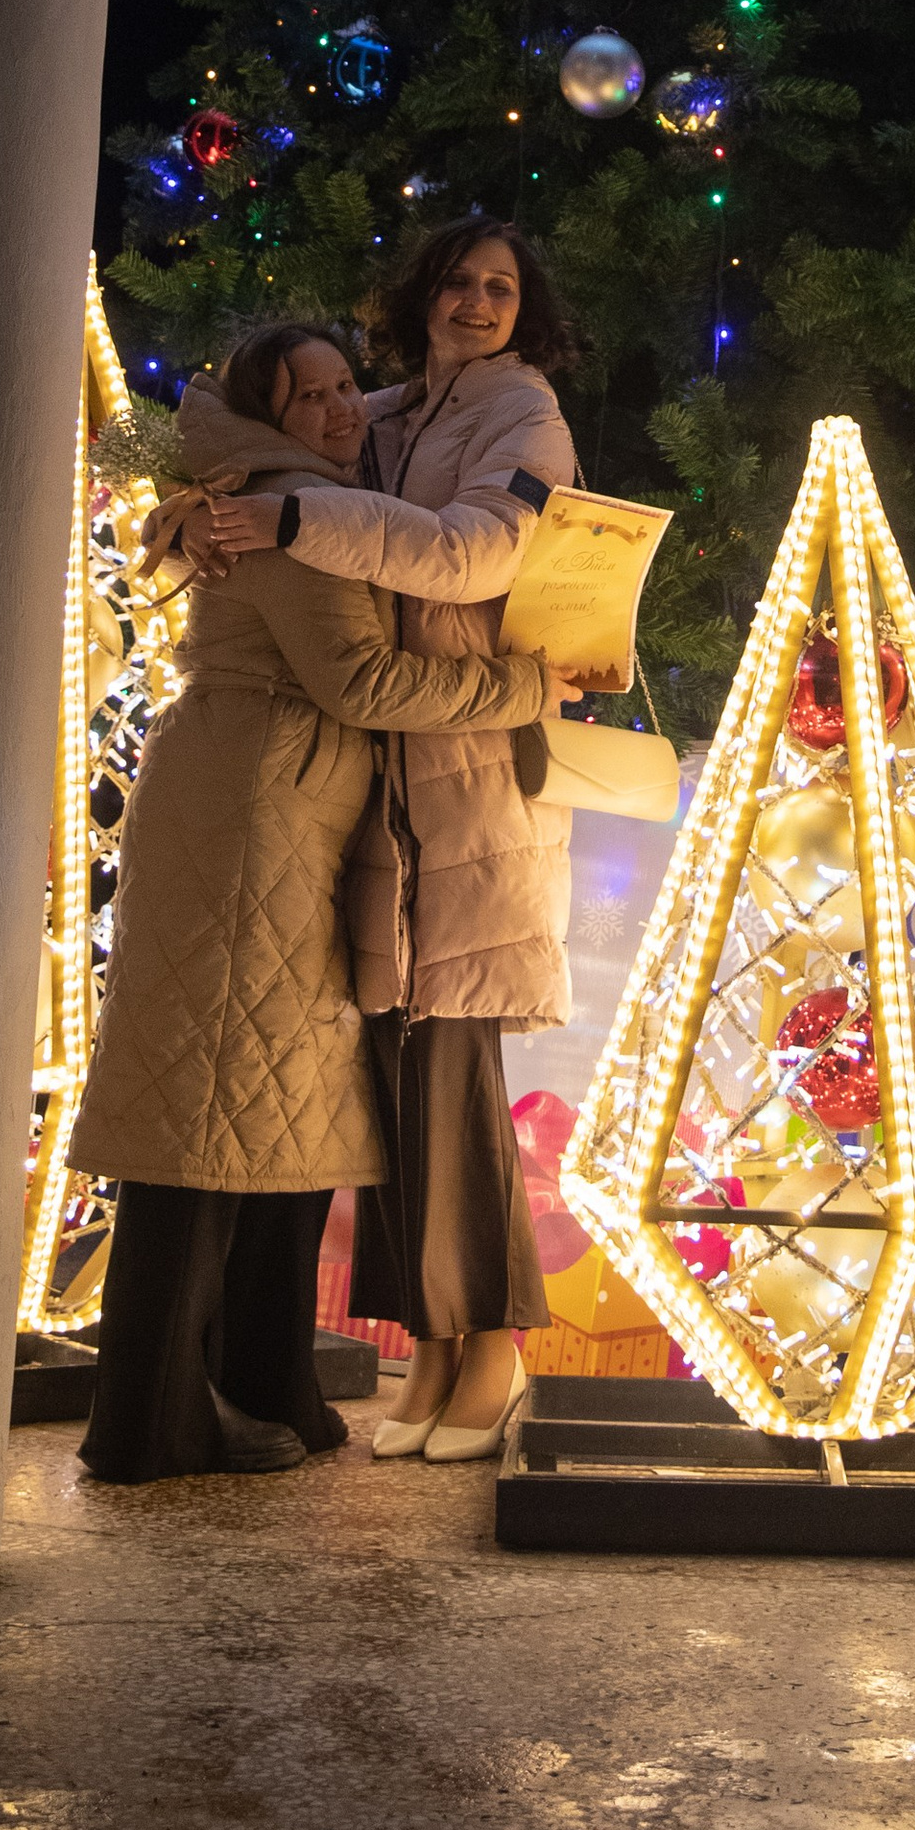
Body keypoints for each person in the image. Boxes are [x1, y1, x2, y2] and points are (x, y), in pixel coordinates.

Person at [69, 321, 551, 1485]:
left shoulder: (290, 487)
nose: (344, 410)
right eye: (313, 396)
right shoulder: (287, 515)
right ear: (265, 418)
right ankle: (153, 1419)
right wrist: (529, 683)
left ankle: (256, 1375)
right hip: (253, 813)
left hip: (270, 805)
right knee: (203, 1111)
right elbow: (363, 679)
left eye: (348, 386)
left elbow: (411, 412)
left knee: (258, 1099)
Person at [196, 216, 581, 1464]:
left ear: (524, 312)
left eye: (501, 288)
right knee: (397, 1074)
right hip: (383, 789)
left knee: (453, 1065)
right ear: (420, 295)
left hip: (466, 779)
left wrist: (296, 521)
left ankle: (497, 1347)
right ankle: (433, 1346)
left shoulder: (523, 415)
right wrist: (185, 526)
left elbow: (477, 556)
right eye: (461, 282)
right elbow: (238, 436)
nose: (477, 302)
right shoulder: (388, 410)